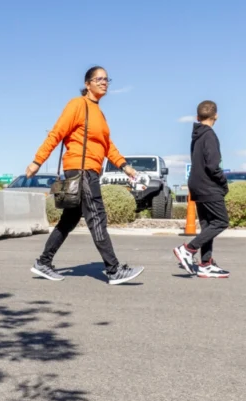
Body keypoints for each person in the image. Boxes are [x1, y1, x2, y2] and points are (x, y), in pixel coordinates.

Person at [26, 66, 145, 285]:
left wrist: (126, 167)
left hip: (90, 171)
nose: (104, 82)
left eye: (107, 79)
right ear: (87, 83)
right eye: (98, 79)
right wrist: (37, 161)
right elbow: (57, 132)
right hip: (81, 171)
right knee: (97, 217)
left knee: (69, 220)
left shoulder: (98, 112)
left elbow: (107, 146)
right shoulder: (77, 105)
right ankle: (113, 269)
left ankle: (43, 262)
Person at [173, 100, 231, 278]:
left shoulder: (197, 136)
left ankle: (205, 264)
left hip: (196, 185)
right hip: (209, 186)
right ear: (216, 116)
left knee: (207, 225)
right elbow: (213, 166)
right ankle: (188, 249)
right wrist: (223, 183)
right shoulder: (210, 136)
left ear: (198, 117)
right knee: (221, 222)